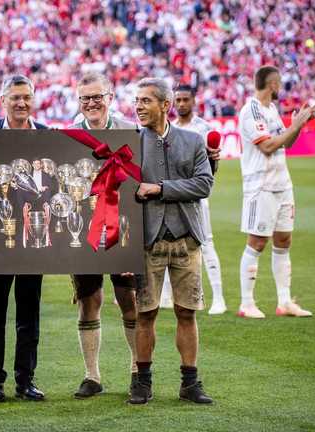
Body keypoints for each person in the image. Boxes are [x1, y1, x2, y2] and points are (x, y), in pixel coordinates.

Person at [130, 77, 214, 405]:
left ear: (165, 105)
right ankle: (143, 382)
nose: (139, 106)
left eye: (146, 101)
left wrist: (159, 188)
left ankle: (190, 383)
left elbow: (204, 184)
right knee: (146, 313)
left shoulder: (193, 141)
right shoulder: (132, 143)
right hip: (147, 239)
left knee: (186, 311)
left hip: (186, 238)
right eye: (137, 101)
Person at [67, 72, 141, 399]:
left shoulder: (130, 130)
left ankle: (139, 369)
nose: (92, 103)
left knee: (130, 299)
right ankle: (92, 375)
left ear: (110, 96)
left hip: (124, 230)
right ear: (78, 101)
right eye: (86, 98)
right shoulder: (68, 135)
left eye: (98, 96)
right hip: (83, 232)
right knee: (88, 301)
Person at [0, 75, 48, 404]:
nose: (21, 103)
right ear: (2, 100)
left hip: (34, 237)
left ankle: (26, 379)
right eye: (15, 98)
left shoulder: (48, 136)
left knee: (29, 313)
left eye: (26, 97)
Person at [237, 66, 315, 319]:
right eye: (279, 84)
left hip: (282, 183)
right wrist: (295, 125)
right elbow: (269, 146)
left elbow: (287, 141)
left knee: (284, 240)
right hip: (261, 185)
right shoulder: (250, 111)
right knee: (257, 241)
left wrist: (298, 125)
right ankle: (246, 303)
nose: (281, 88)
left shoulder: (272, 110)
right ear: (272, 85)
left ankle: (284, 302)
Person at [164, 84, 226, 315]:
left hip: (196, 198)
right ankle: (168, 296)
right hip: (172, 195)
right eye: (177, 100)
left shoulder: (204, 129)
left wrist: (214, 161)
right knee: (170, 243)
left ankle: (218, 298)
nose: (180, 104)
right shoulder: (169, 129)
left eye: (185, 100)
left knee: (206, 243)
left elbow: (211, 169)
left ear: (194, 101)